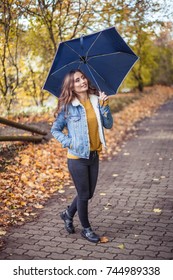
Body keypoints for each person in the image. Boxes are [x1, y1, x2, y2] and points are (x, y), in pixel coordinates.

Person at [51, 69, 113, 243]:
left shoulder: (96, 101)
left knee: (87, 193)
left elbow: (108, 124)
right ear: (71, 86)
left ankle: (67, 214)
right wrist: (69, 142)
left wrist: (104, 106)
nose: (82, 82)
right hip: (77, 157)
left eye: (83, 78)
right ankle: (86, 229)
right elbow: (55, 130)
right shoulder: (68, 106)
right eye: (77, 80)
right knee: (84, 195)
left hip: (93, 154)